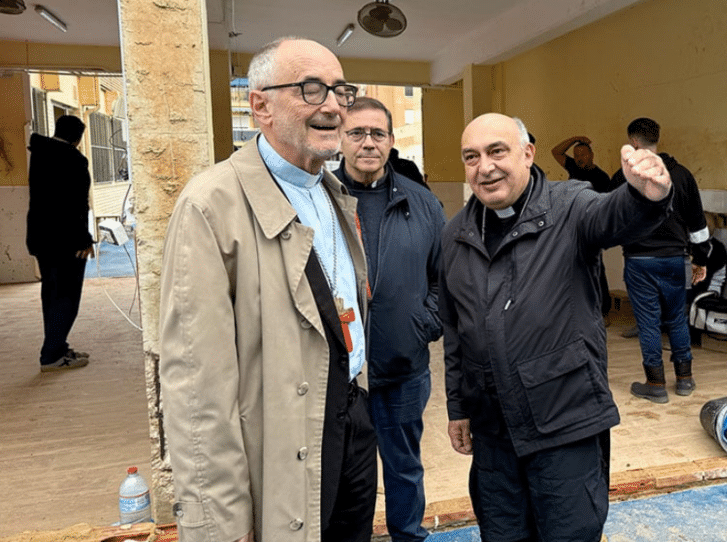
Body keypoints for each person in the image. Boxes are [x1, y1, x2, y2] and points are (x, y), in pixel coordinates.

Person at [159, 37, 377, 542]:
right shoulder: (210, 206)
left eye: (340, 92)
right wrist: (220, 521)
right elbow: (197, 388)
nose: (331, 106)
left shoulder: (330, 190)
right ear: (260, 105)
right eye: (311, 89)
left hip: (352, 418)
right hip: (283, 438)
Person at [440, 113, 672, 542]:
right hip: (494, 432)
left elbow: (613, 215)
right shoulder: (455, 235)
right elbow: (455, 331)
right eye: (471, 157)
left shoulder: (570, 206)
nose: (484, 167)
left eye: (497, 151)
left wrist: (644, 195)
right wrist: (458, 407)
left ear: (527, 153)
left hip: (565, 421)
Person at [334, 96, 444, 542]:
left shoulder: (422, 204)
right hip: (340, 376)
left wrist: (423, 325)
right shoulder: (319, 200)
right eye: (356, 133)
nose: (367, 143)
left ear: (392, 142)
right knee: (345, 477)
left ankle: (408, 537)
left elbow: (443, 278)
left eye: (377, 133)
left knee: (403, 469)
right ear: (341, 139)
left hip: (403, 370)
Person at [610, 117, 710, 403]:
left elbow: (610, 215)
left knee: (649, 322)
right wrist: (700, 259)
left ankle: (655, 384)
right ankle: (685, 380)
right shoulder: (683, 175)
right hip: (675, 259)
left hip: (640, 260)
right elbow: (698, 224)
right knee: (677, 318)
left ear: (634, 142)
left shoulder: (625, 176)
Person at [26, 115, 94, 372]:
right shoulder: (73, 160)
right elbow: (75, 204)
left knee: (52, 295)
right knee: (66, 297)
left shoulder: (40, 154)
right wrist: (84, 240)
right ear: (77, 138)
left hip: (42, 239)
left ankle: (56, 346)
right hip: (67, 242)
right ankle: (52, 355)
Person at [552, 135, 614, 318]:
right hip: (570, 224)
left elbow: (606, 206)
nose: (579, 158)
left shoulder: (601, 178)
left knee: (594, 266)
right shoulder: (573, 167)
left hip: (590, 227)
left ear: (591, 155)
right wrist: (575, 139)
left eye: (583, 154)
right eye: (576, 155)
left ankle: (602, 309)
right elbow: (555, 152)